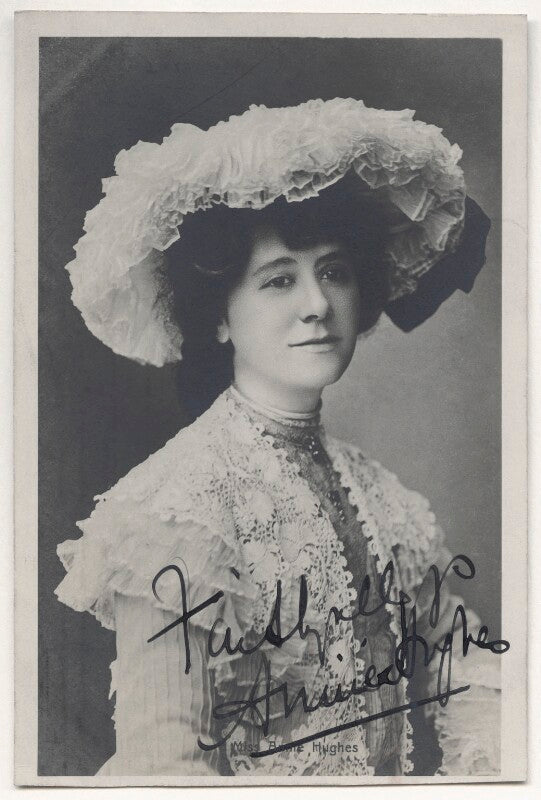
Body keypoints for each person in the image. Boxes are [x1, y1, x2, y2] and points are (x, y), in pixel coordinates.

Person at [55, 98, 501, 777]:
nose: (317, 305)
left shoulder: (385, 500)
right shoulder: (173, 514)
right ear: (220, 316)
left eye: (334, 272)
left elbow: (466, 659)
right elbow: (162, 772)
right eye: (279, 280)